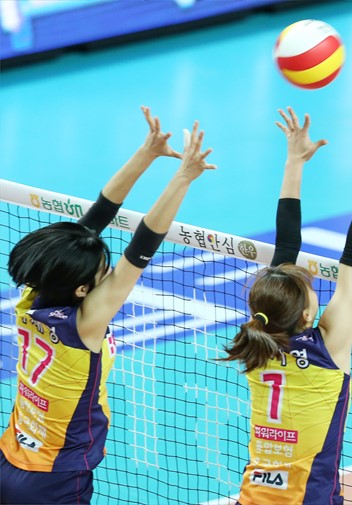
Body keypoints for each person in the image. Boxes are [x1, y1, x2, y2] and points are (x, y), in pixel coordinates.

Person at [0, 107, 215, 504]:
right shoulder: (84, 325)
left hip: (11, 453)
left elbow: (96, 217)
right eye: (104, 270)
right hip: (54, 477)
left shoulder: (37, 292)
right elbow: (142, 247)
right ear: (83, 289)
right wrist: (184, 176)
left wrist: (147, 153)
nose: (111, 271)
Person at [220, 107, 352, 505]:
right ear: (307, 314)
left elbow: (287, 248)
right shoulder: (328, 346)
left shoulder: (257, 344)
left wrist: (293, 162)